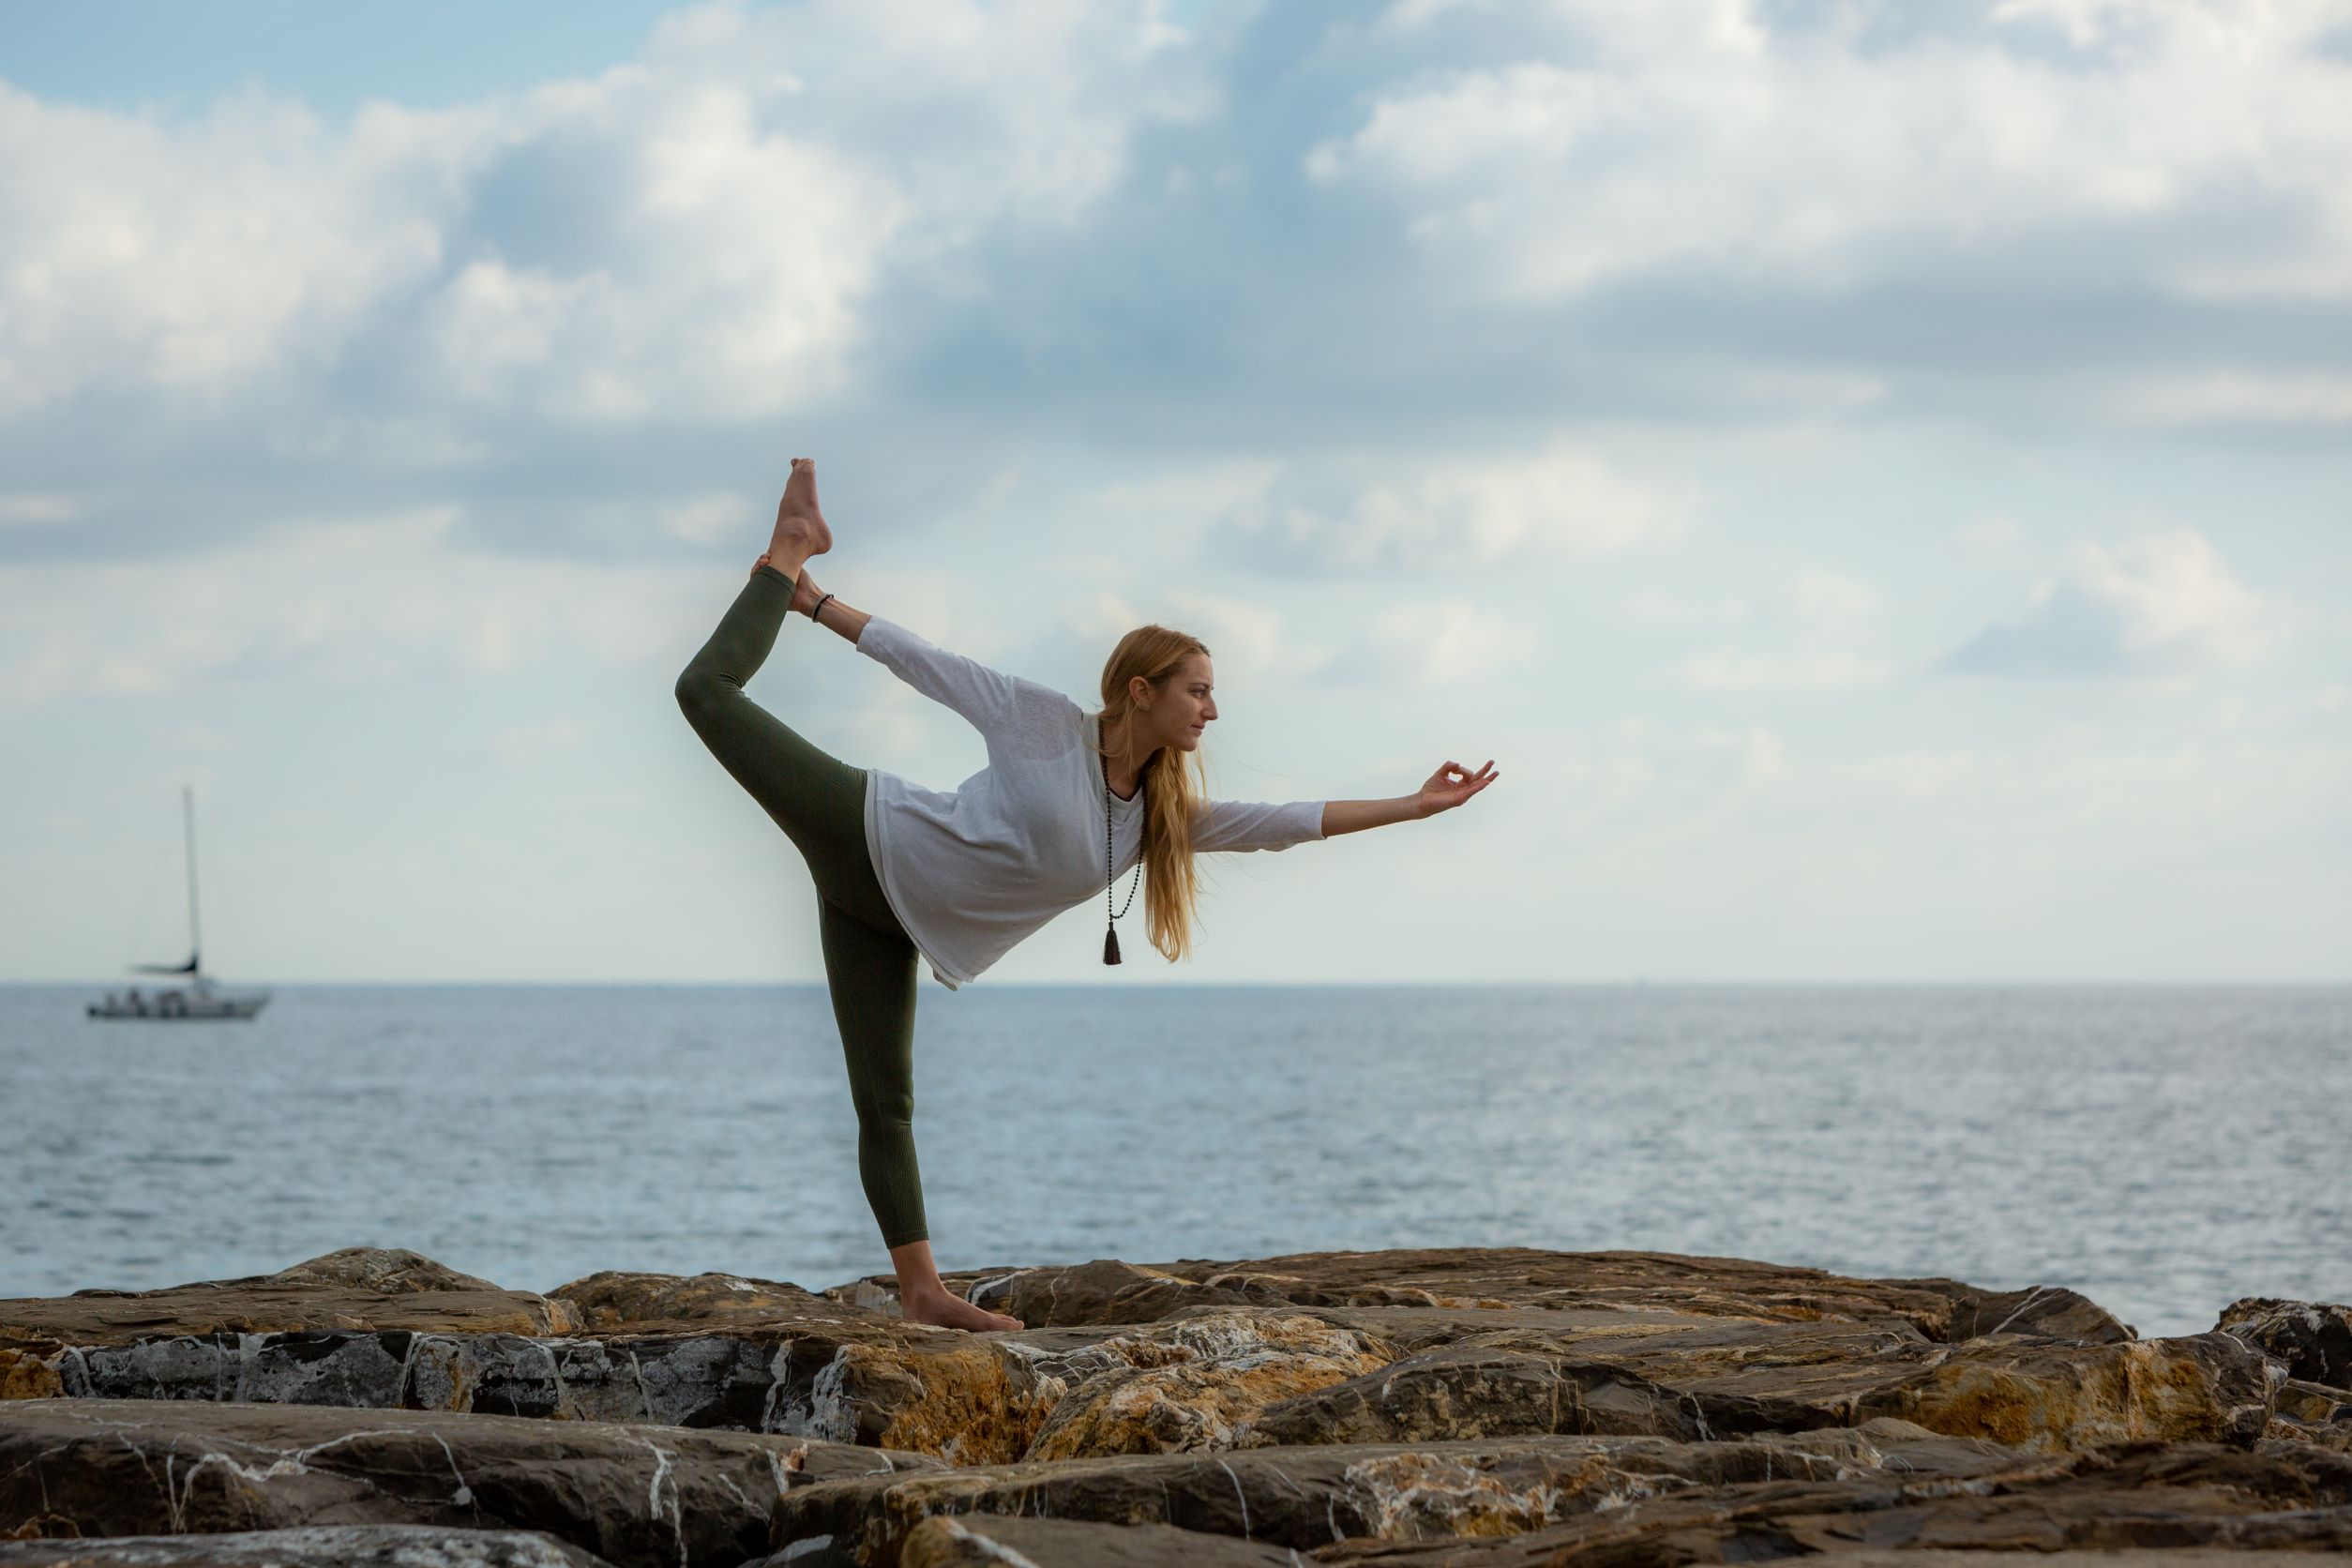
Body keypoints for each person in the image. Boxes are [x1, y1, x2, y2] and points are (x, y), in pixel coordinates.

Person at [673, 459, 1499, 1332]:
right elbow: (927, 664)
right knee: (705, 694)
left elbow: (1279, 820)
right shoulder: (1043, 723)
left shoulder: (1154, 819)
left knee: (887, 1102)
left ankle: (922, 1294)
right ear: (1141, 692)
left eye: (1214, 692)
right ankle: (786, 554)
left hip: (886, 920)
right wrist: (811, 601)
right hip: (867, 829)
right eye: (1198, 690)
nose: (1212, 710)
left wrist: (1414, 806)